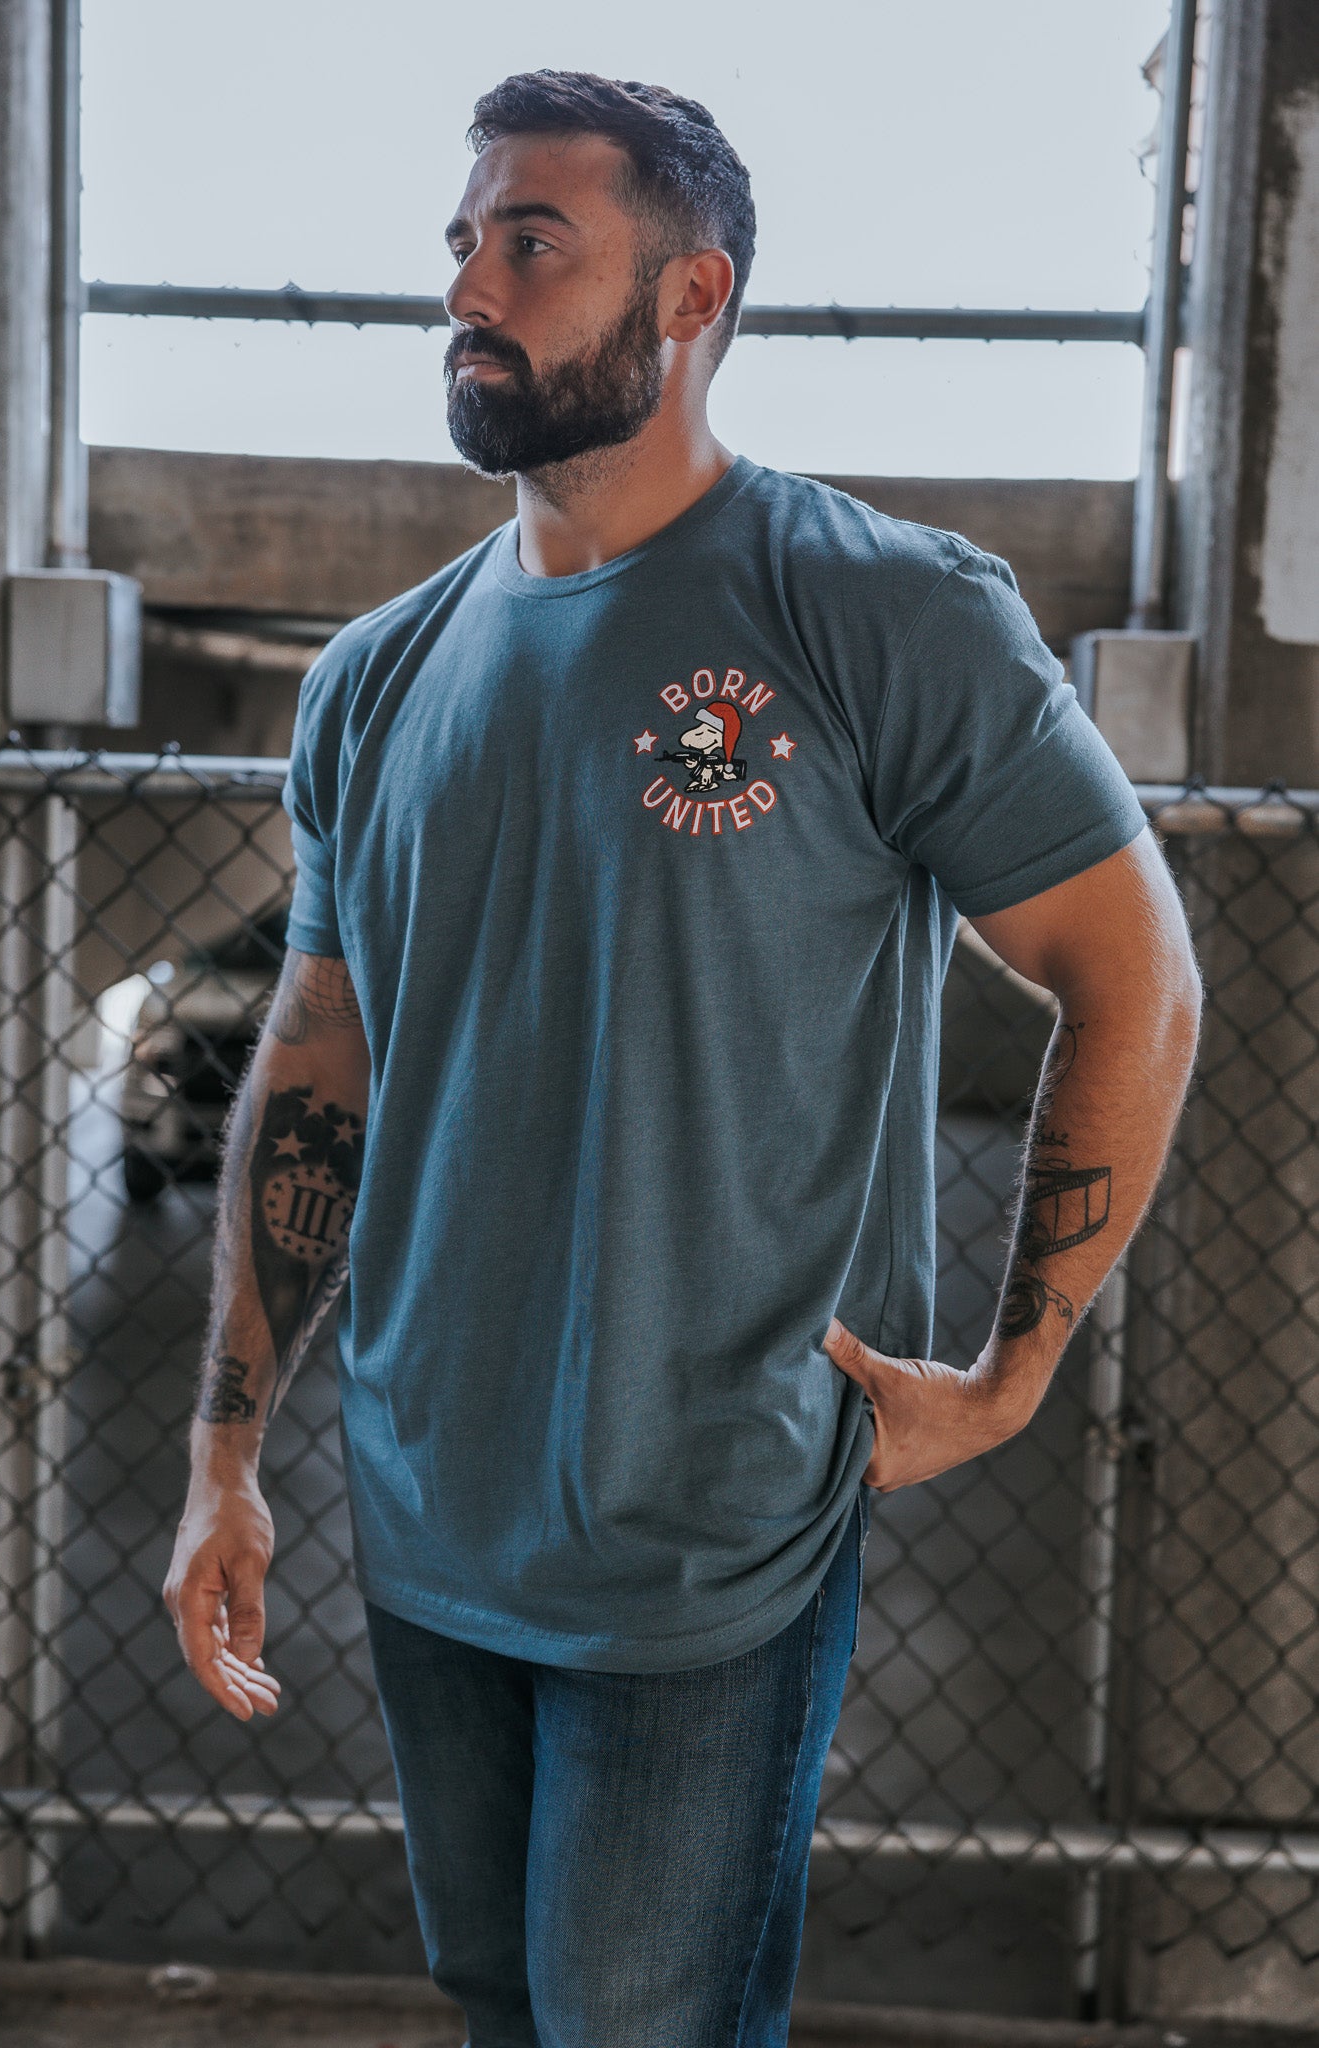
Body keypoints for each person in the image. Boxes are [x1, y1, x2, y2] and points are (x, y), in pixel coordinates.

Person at [163, 69, 1202, 2048]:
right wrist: (229, 1451)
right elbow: (321, 1060)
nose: (468, 284)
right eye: (460, 243)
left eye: (528, 242)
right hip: (427, 1505)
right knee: (499, 2002)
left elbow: (1129, 976)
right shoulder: (375, 676)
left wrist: (1012, 1368)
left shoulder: (873, 608)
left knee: (633, 2021)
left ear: (690, 292)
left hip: (711, 1523)